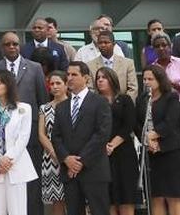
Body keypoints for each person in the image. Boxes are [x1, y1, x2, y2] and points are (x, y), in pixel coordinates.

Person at [52, 61, 112, 215]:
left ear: (86, 78)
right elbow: (56, 137)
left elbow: (102, 134)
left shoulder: (100, 102)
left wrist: (80, 161)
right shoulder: (61, 107)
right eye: (68, 75)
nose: (70, 78)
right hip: (69, 172)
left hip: (94, 169)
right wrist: (67, 159)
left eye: (74, 74)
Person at [0, 31, 48, 215]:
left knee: (32, 181)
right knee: (7, 182)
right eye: (8, 44)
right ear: (2, 47)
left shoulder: (34, 67)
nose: (12, 47)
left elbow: (42, 101)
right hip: (4, 136)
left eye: (15, 44)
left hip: (31, 135)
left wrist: (41, 130)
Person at [0, 69, 38, 215]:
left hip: (16, 166)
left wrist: (7, 160)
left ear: (9, 85)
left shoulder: (24, 108)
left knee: (18, 210)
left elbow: (23, 138)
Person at [136, 65, 180, 215]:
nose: (146, 82)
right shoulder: (142, 99)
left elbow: (171, 121)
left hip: (170, 151)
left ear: (160, 80)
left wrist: (154, 135)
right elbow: (137, 123)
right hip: (151, 152)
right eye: (144, 79)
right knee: (156, 196)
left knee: (173, 195)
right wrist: (147, 139)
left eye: (150, 79)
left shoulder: (171, 97)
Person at [94, 67, 138, 215]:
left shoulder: (124, 99)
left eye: (104, 77)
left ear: (112, 80)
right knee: (109, 199)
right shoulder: (94, 102)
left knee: (126, 197)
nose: (100, 80)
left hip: (124, 153)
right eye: (98, 78)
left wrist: (112, 145)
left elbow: (129, 124)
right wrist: (103, 146)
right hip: (101, 154)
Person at [38, 71, 68, 215]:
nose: (55, 86)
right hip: (51, 159)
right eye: (52, 84)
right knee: (57, 201)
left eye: (58, 83)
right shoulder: (44, 108)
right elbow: (41, 134)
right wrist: (56, 154)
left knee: (76, 199)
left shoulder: (74, 105)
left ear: (66, 85)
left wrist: (65, 156)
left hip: (72, 157)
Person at [84, 30, 138, 101]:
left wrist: (125, 103)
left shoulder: (128, 63)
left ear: (114, 44)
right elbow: (90, 89)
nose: (103, 45)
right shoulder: (90, 65)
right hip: (99, 104)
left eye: (106, 42)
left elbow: (133, 88)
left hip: (123, 104)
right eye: (100, 43)